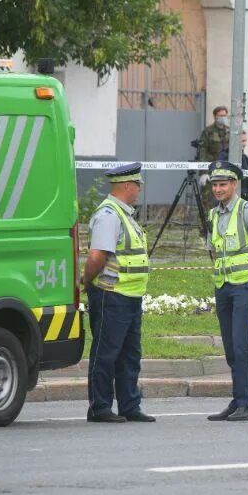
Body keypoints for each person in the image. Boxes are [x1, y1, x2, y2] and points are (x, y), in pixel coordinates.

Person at [81, 163, 154, 423]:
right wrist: (87, 281)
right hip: (112, 294)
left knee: (130, 354)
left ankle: (129, 405)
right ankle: (100, 407)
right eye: (137, 185)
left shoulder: (126, 214)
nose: (139, 189)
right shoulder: (110, 215)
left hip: (130, 295)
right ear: (126, 186)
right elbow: (97, 256)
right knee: (106, 353)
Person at [204, 161, 248, 422]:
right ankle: (237, 400)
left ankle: (246, 404)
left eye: (223, 184)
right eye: (214, 185)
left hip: (245, 286)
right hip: (223, 286)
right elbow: (216, 251)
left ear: (234, 185)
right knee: (231, 348)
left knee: (242, 345)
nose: (218, 189)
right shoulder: (213, 214)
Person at [218, 130, 248, 204]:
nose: (244, 144)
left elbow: (247, 180)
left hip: (244, 195)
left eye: (245, 141)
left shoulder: (244, 157)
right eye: (242, 141)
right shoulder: (224, 156)